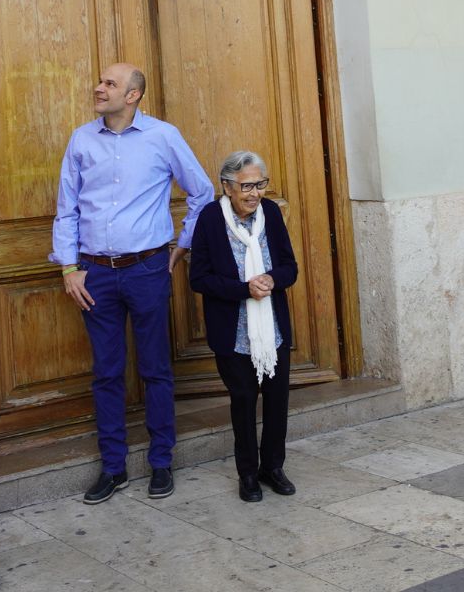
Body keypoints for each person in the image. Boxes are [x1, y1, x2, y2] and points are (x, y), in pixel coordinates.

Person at [52, 62, 214, 504]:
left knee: (155, 369)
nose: (98, 87)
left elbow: (201, 192)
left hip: (147, 269)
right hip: (94, 274)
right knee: (106, 372)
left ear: (133, 95)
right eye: (100, 81)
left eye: (110, 83)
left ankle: (161, 462)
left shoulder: (163, 136)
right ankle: (113, 467)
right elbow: (66, 209)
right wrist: (68, 267)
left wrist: (183, 245)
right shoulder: (81, 140)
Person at [188, 150, 298, 503]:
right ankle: (248, 473)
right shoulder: (210, 219)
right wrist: (243, 289)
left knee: (277, 400)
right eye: (247, 186)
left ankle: (273, 467)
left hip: (272, 330)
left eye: (260, 184)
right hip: (233, 332)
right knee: (244, 400)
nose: (255, 193)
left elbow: (290, 267)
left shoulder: (271, 213)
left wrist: (271, 279)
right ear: (227, 187)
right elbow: (198, 278)